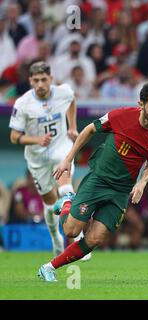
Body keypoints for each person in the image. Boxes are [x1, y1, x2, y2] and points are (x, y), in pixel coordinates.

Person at [37, 81, 148, 281]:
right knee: (71, 230)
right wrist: (68, 159)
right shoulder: (121, 116)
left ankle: (49, 267)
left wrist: (142, 183)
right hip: (99, 180)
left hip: (121, 192)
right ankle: (67, 202)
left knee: (94, 239)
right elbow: (89, 130)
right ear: (141, 104)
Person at [9, 61, 78, 257]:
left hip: (60, 148)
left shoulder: (64, 91)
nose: (40, 84)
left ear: (51, 79)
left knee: (65, 187)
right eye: (36, 80)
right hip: (37, 159)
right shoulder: (22, 104)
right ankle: (56, 237)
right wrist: (36, 139)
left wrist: (72, 126)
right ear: (30, 81)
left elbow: (72, 100)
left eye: (44, 79)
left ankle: (75, 238)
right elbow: (14, 137)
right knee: (50, 202)